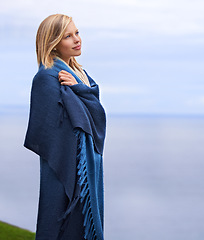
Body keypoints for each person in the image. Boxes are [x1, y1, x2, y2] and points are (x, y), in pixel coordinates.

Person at [24, 14, 106, 240]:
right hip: (66, 165)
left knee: (85, 221)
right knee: (63, 222)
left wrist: (81, 90)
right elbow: (49, 127)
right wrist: (82, 94)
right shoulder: (47, 77)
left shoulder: (80, 74)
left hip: (87, 164)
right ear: (53, 43)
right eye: (67, 36)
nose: (77, 39)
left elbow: (95, 114)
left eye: (77, 33)